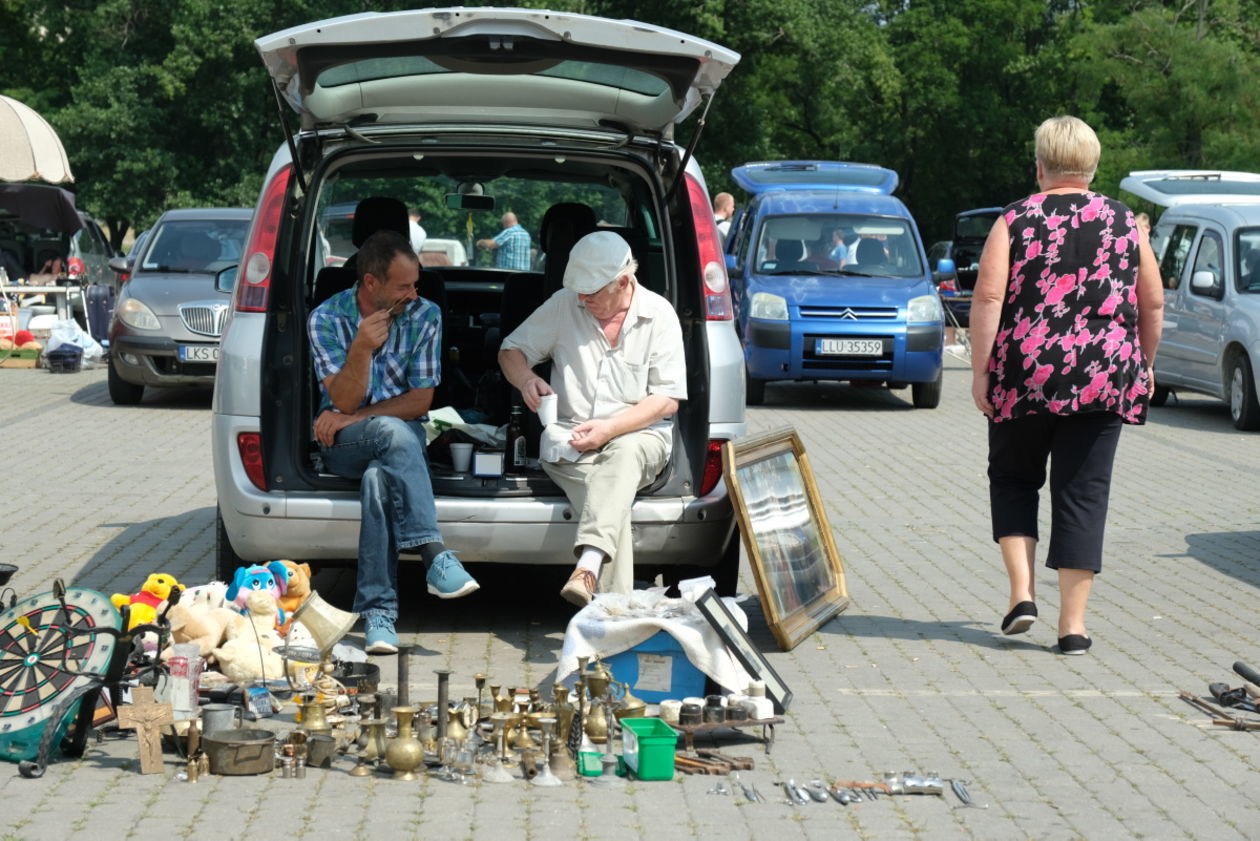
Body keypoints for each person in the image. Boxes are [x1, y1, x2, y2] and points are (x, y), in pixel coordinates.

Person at [969, 116, 1163, 656]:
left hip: (1024, 374)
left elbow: (987, 300)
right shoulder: (1127, 223)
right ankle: (1072, 628)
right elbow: (1152, 301)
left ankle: (1021, 595)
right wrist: (1143, 364)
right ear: (1093, 165)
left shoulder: (1015, 220)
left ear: (1040, 166)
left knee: (1012, 479)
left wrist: (982, 372)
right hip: (1104, 375)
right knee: (1084, 495)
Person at [308, 229, 479, 654]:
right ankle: (434, 554)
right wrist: (361, 349)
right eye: (403, 286)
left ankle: (378, 615)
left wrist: (355, 415)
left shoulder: (426, 315)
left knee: (378, 481)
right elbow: (342, 398)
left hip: (394, 433)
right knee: (390, 434)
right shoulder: (327, 319)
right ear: (371, 283)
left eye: (415, 283)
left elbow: (421, 400)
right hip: (343, 441)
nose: (413, 293)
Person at [497, 230, 687, 606]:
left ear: (623, 281)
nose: (583, 299)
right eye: (579, 291)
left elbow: (666, 399)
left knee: (625, 451)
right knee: (609, 504)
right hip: (571, 443)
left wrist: (610, 429)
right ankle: (612, 622)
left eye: (593, 292)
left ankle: (590, 564)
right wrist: (527, 379)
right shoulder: (565, 303)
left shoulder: (659, 314)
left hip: (638, 437)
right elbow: (510, 350)